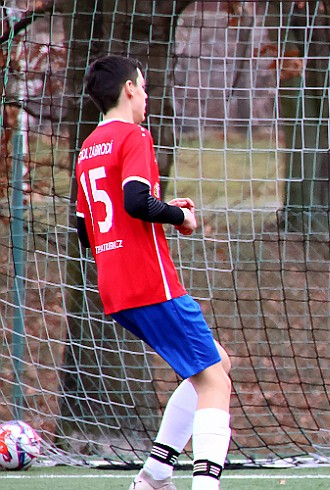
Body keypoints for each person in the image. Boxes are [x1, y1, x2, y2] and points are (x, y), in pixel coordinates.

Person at [75, 55, 232, 490]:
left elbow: (84, 231)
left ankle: (157, 474)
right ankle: (204, 486)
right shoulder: (135, 137)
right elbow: (136, 203)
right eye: (142, 87)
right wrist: (178, 218)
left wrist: (162, 211)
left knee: (214, 361)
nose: (145, 95)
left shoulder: (87, 149)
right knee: (215, 381)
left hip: (114, 286)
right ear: (128, 89)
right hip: (148, 280)